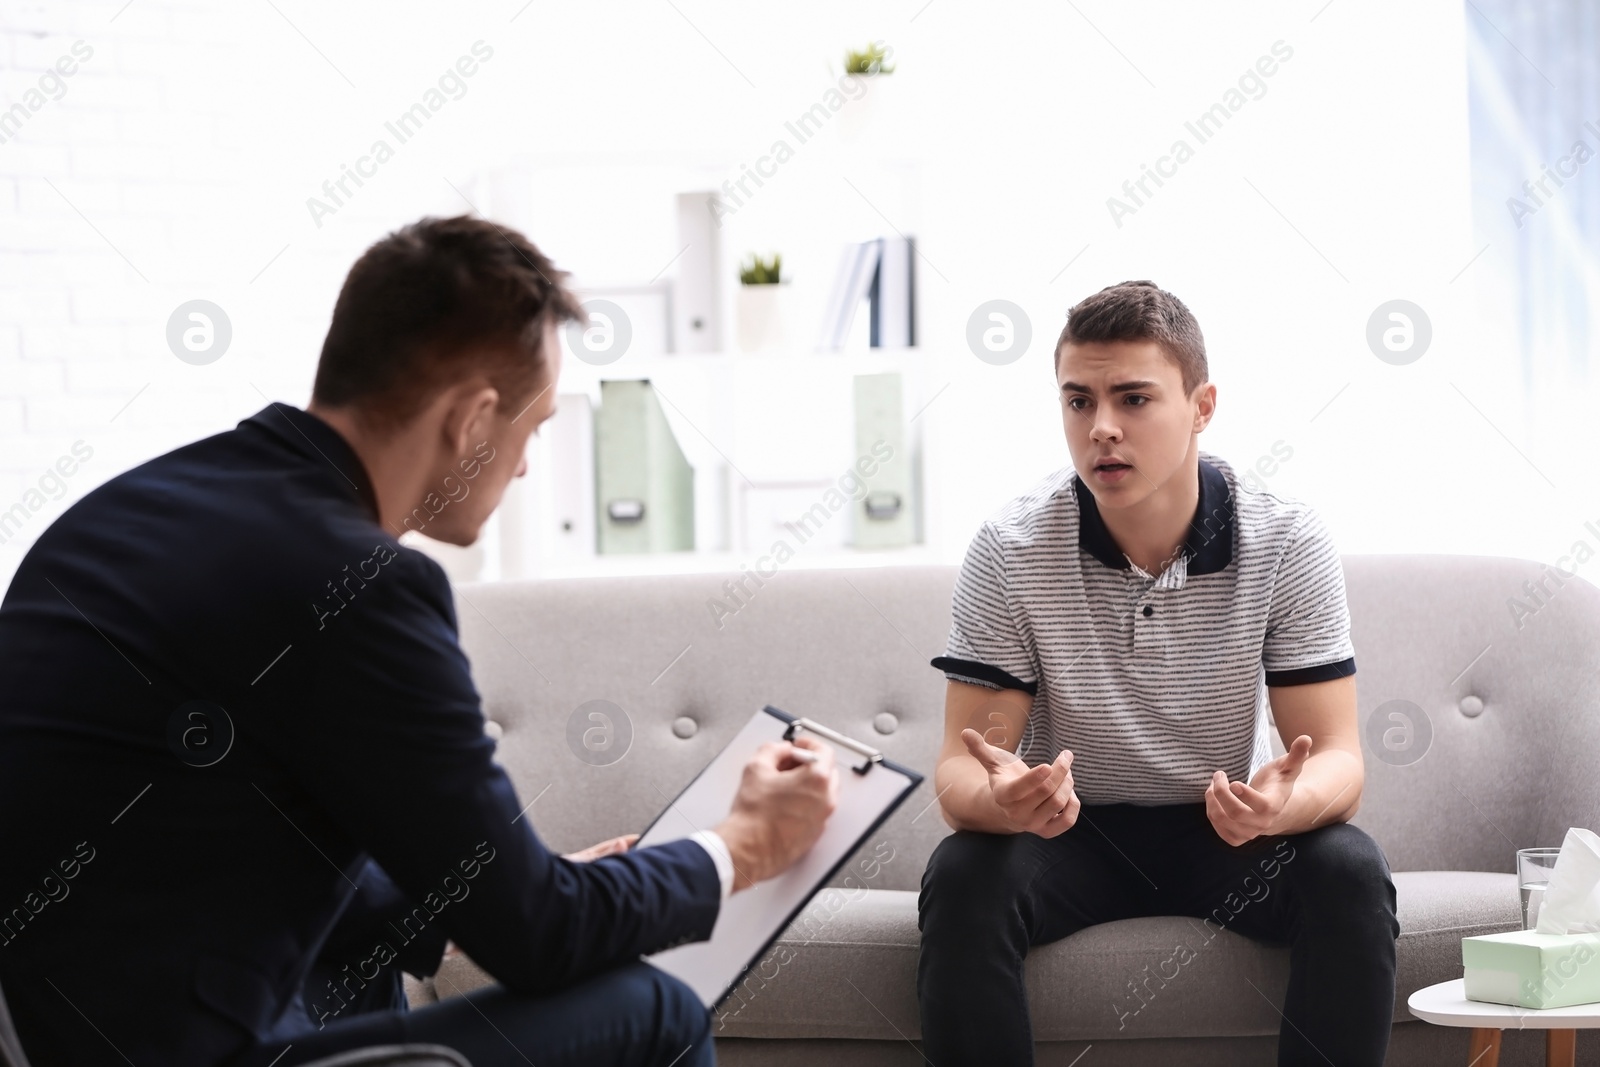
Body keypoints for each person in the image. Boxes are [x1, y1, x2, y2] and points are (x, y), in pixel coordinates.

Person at [0, 214, 839, 1067]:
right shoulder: (361, 584)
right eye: (535, 426)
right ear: (473, 421)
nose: (521, 466)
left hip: (63, 1021)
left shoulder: (127, 510)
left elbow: (212, 837)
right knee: (650, 1009)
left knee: (377, 966)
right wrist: (737, 849)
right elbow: (538, 936)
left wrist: (500, 888)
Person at [917, 281, 1399, 1066]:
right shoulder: (1011, 546)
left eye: (1133, 398)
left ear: (1202, 405)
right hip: (1070, 832)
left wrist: (1281, 808)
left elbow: (1340, 757)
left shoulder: (1285, 537)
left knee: (1349, 867)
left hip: (1223, 829)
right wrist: (1003, 800)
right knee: (965, 872)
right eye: (1078, 402)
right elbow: (957, 772)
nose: (1101, 428)